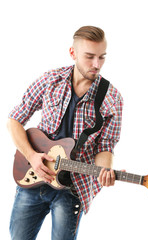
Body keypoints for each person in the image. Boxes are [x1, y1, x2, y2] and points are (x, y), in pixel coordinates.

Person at [8, 26, 123, 240]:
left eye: (102, 57)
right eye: (89, 57)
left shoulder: (112, 98)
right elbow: (14, 120)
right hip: (32, 178)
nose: (96, 65)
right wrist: (32, 157)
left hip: (72, 187)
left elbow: (105, 145)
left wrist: (105, 170)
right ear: (73, 53)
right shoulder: (50, 80)